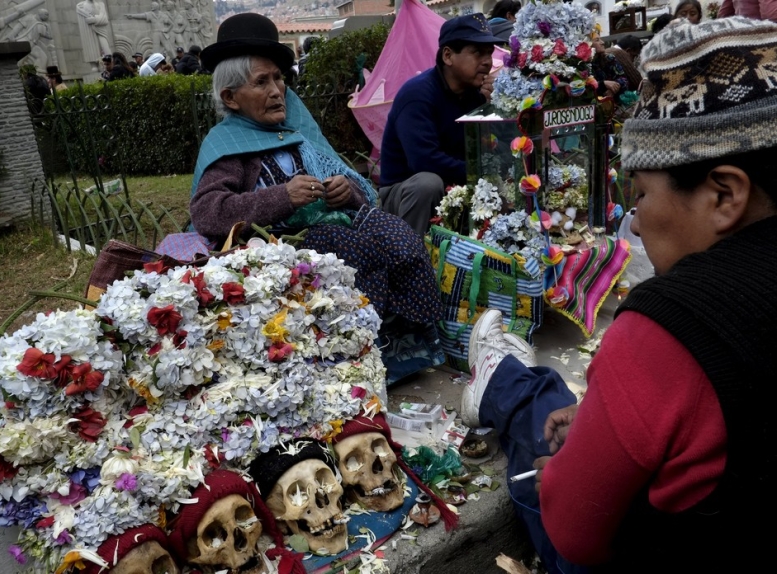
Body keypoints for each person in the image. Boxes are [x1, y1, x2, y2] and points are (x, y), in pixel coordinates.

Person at [461, 16, 777, 573]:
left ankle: (503, 381)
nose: (636, 221)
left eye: (642, 196)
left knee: (543, 434)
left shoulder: (668, 331)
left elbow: (575, 533)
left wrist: (566, 477)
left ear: (725, 195)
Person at [183, 12, 441, 327]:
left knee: (402, 240)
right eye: (261, 82)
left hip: (331, 232)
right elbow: (208, 212)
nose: (276, 90)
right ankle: (364, 338)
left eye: (278, 78)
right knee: (352, 248)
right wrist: (284, 197)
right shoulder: (228, 144)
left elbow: (357, 189)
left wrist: (347, 191)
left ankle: (413, 334)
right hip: (274, 249)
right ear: (230, 97)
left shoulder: (295, 130)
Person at [378, 14, 501, 237]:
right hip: (406, 194)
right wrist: (481, 173)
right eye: (477, 53)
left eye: (489, 53)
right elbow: (424, 161)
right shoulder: (417, 95)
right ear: (448, 55)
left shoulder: (476, 95)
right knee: (428, 183)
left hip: (456, 185)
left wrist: (495, 105)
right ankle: (408, 252)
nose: (487, 61)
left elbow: (492, 148)